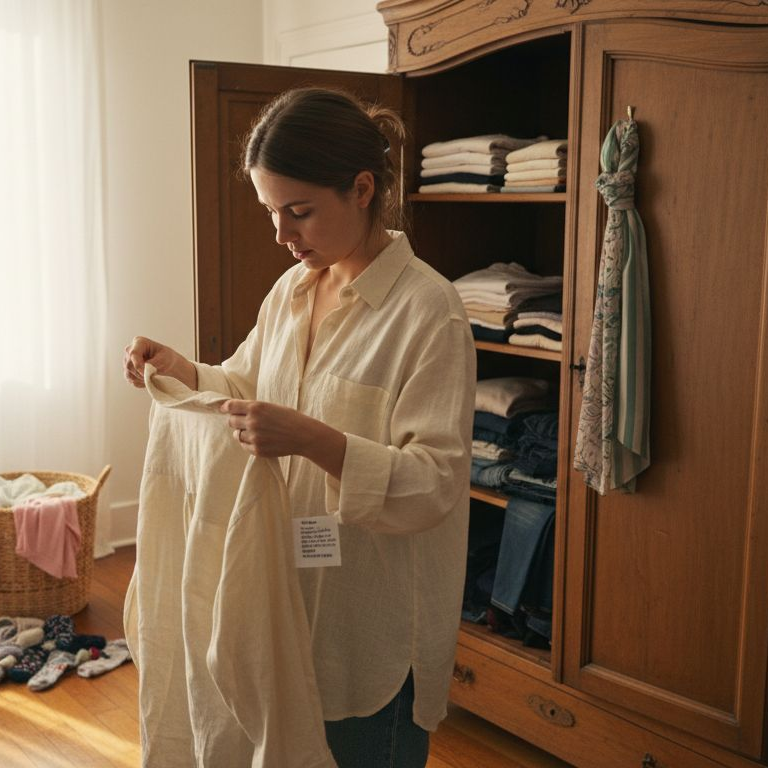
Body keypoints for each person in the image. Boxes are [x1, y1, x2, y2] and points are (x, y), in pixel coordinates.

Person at [122, 87, 475, 768]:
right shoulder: (291, 292)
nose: (281, 234)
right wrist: (186, 371)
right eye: (270, 212)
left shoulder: (430, 313)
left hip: (368, 621)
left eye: (299, 212)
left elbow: (435, 484)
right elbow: (250, 389)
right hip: (283, 596)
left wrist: (313, 440)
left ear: (363, 189)